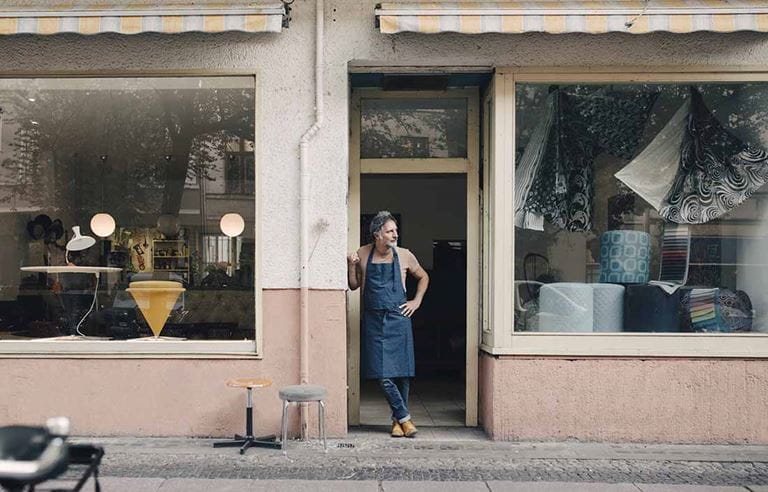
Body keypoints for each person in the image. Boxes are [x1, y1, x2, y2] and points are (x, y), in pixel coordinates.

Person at [348, 211, 429, 438]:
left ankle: (397, 422)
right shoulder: (362, 253)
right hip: (373, 321)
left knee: (402, 374)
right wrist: (350, 265)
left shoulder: (404, 255)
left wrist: (416, 301)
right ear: (377, 234)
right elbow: (354, 285)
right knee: (382, 374)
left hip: (398, 318)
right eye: (390, 231)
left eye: (396, 230)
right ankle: (405, 417)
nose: (395, 234)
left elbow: (423, 277)